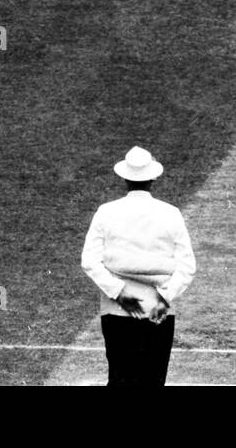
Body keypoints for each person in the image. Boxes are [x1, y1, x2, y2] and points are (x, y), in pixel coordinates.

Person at [80, 146, 196, 386]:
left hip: (117, 309)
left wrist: (119, 293)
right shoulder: (171, 213)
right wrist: (164, 298)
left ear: (124, 177)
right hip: (158, 310)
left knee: (120, 380)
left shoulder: (106, 212)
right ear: (153, 177)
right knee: (153, 381)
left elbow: (90, 261)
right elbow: (187, 266)